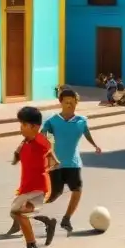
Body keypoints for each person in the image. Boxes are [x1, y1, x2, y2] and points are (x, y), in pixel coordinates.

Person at [41, 88, 102, 233]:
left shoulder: (81, 121)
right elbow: (42, 136)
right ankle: (28, 212)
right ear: (60, 103)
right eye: (67, 102)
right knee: (54, 194)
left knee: (77, 190)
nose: (70, 105)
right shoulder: (52, 121)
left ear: (76, 103)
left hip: (74, 163)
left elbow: (86, 132)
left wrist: (94, 145)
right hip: (56, 164)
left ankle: (66, 218)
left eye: (73, 103)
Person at [7, 106, 59, 248]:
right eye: (20, 124)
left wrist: (53, 161)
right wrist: (17, 154)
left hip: (38, 188)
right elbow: (23, 150)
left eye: (24, 124)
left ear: (35, 127)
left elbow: (48, 146)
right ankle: (47, 222)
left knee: (20, 214)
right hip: (26, 187)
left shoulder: (40, 141)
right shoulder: (26, 142)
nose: (20, 128)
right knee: (15, 212)